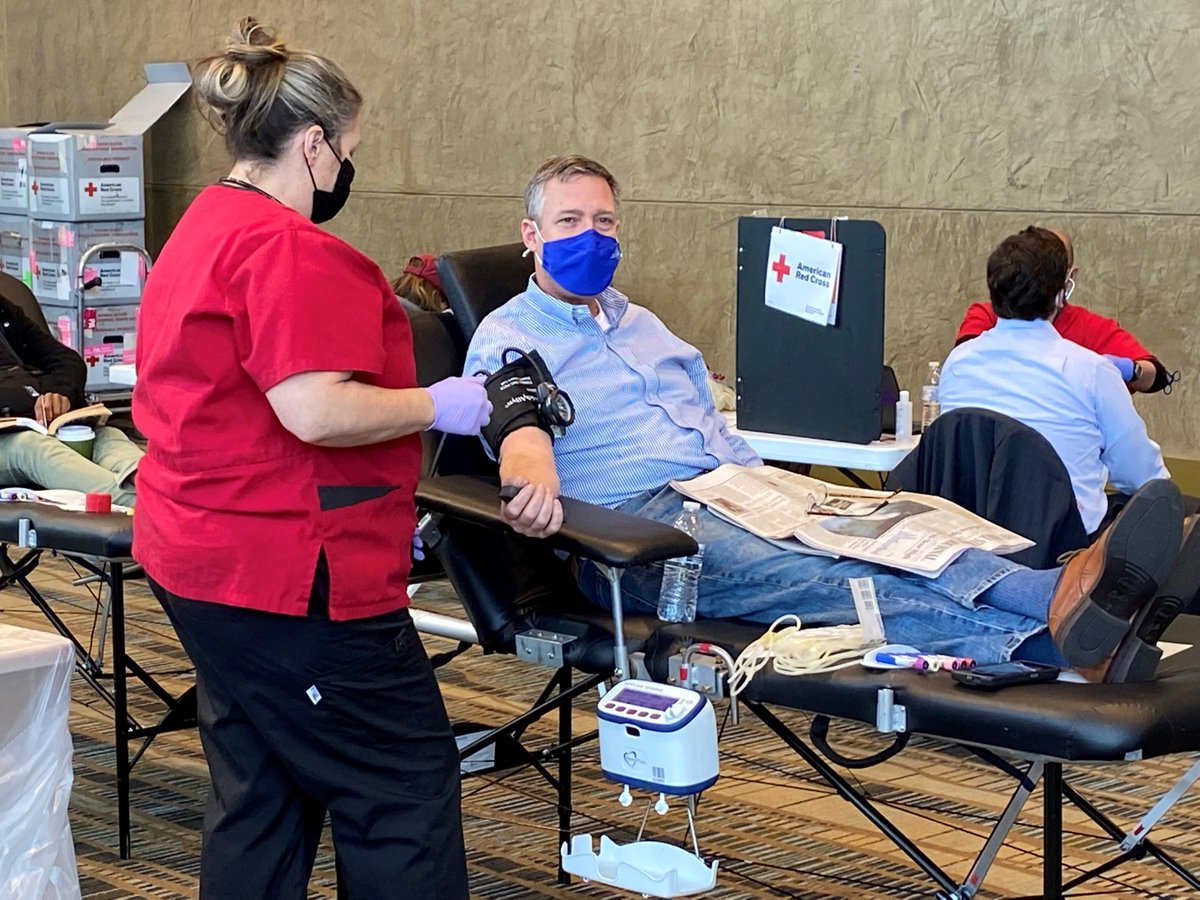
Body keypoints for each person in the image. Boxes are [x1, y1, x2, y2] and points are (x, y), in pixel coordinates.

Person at [463, 155, 1186, 685]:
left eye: (603, 220)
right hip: (640, 537)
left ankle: (1073, 594)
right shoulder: (509, 334)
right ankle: (1056, 637)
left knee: (905, 522)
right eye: (569, 221)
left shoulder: (642, 323)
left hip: (732, 488)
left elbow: (709, 423)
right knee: (834, 576)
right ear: (531, 233)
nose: (590, 234)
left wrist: (777, 489)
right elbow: (518, 426)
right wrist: (531, 479)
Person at [132, 19, 489, 899]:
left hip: (198, 555)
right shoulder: (290, 248)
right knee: (399, 791)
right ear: (315, 143)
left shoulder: (202, 225)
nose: (346, 172)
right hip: (290, 574)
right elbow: (315, 409)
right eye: (350, 150)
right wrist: (437, 405)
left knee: (261, 789)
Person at [939, 227, 1169, 536]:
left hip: (970, 535)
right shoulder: (1093, 371)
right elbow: (1143, 476)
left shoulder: (957, 364)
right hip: (1060, 547)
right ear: (1062, 293)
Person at [955, 228, 1171, 394]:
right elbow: (967, 360)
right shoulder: (985, 316)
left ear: (1068, 279)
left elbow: (1156, 375)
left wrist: (1128, 369)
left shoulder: (1091, 327)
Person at [0, 282, 142, 505]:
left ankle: (158, 488)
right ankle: (149, 505)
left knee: (103, 436)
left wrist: (59, 393)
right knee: (34, 448)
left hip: (38, 420)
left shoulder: (4, 313)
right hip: (18, 438)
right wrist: (32, 395)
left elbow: (66, 360)